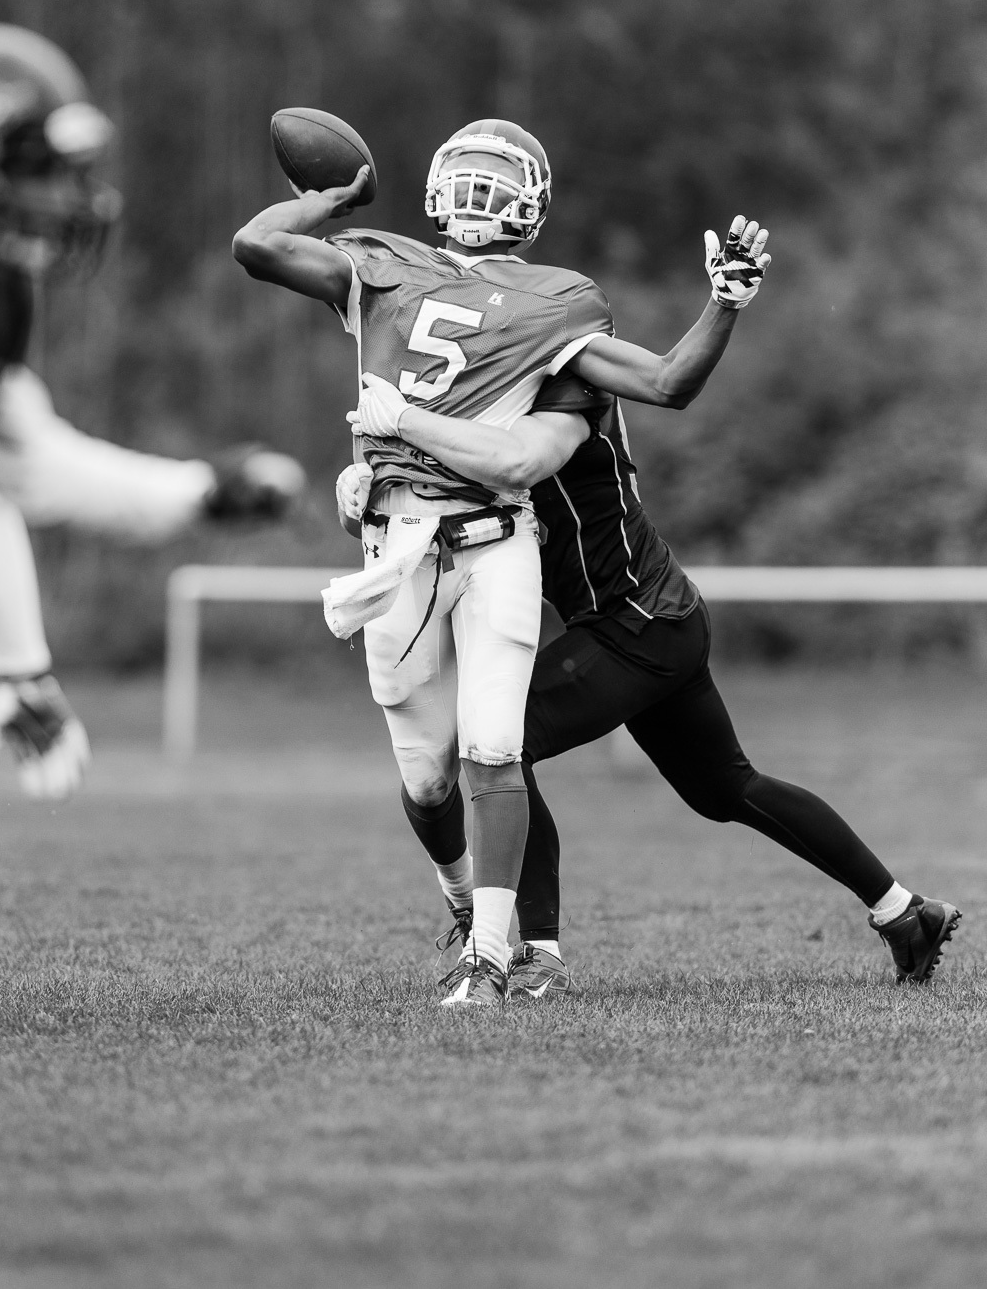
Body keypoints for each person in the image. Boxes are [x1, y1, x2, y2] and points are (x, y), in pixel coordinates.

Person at [234, 117, 767, 1006]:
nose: (480, 197)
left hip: (495, 540)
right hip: (395, 548)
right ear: (443, 188)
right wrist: (333, 197)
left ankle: (490, 958)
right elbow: (255, 245)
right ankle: (461, 905)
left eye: (497, 181)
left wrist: (725, 303)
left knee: (491, 745)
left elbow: (671, 383)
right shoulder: (379, 262)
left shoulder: (556, 300)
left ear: (528, 205)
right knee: (427, 776)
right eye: (469, 177)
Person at [345, 240, 963, 997]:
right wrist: (366, 481)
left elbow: (567, 434)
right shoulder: (485, 385)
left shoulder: (561, 386)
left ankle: (535, 948)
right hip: (658, 616)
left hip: (632, 624)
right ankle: (905, 912)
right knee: (727, 789)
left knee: (500, 746)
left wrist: (723, 305)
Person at [0, 24, 305, 798]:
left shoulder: (3, 290)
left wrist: (197, 492)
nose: (65, 197)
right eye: (41, 169)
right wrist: (20, 666)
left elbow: (28, 462)